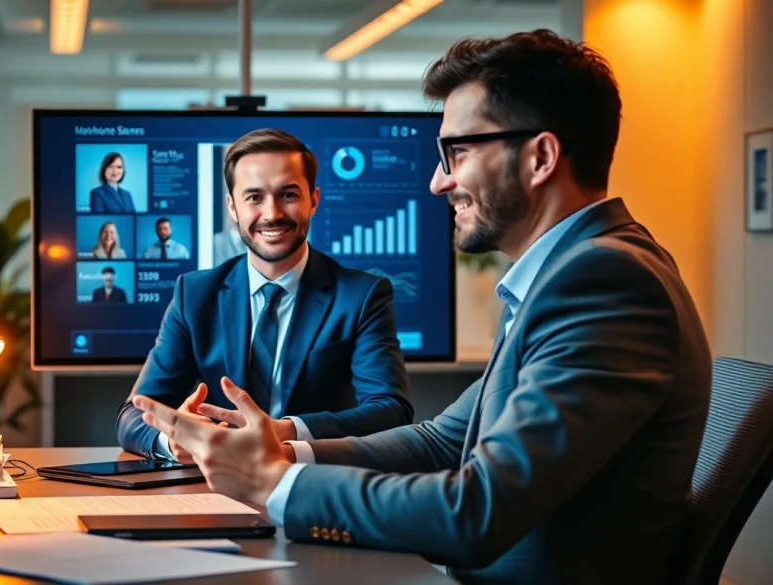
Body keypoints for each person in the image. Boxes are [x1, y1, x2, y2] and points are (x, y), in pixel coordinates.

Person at [132, 30, 712, 585]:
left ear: (539, 158)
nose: (438, 182)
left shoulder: (603, 280)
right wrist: (286, 450)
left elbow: (477, 511)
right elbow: (441, 441)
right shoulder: (571, 273)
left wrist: (272, 484)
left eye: (455, 152)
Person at [118, 128, 414, 462]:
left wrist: (288, 432)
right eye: (254, 197)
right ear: (232, 207)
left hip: (317, 483)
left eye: (288, 194)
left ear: (313, 200)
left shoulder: (362, 295)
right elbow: (134, 415)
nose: (271, 213)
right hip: (216, 488)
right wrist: (173, 440)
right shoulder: (195, 295)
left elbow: (392, 411)